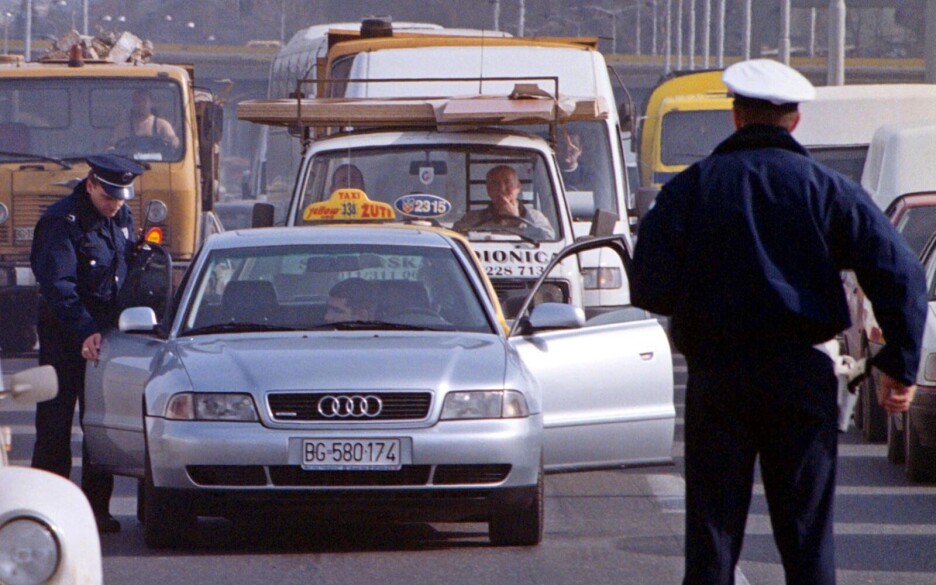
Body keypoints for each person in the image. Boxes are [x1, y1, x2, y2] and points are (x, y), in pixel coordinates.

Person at [630, 59, 927, 585]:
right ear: (794, 121)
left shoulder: (691, 189)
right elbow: (900, 272)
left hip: (718, 378)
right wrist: (899, 366)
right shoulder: (827, 188)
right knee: (807, 539)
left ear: (736, 117)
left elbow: (648, 283)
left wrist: (701, 301)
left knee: (713, 540)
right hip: (801, 377)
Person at [30, 153, 145, 534]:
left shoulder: (121, 217)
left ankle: (97, 510)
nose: (116, 204)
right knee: (55, 426)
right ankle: (49, 512)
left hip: (107, 335)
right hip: (66, 334)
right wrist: (83, 332)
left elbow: (125, 270)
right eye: (109, 196)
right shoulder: (62, 222)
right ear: (91, 184)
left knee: (99, 425)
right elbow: (58, 285)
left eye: (121, 197)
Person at [453, 165, 554, 239]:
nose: (501, 188)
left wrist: (516, 219)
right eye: (495, 183)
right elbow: (456, 237)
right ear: (488, 190)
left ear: (518, 187)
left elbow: (549, 239)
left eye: (507, 182)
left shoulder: (534, 217)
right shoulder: (472, 219)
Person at [109, 89, 181, 151]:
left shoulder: (162, 125)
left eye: (144, 100)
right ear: (133, 104)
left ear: (152, 103)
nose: (141, 104)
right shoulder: (124, 127)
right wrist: (111, 147)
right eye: (137, 101)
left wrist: (174, 141)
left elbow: (172, 138)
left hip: (159, 164)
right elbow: (111, 144)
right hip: (130, 164)